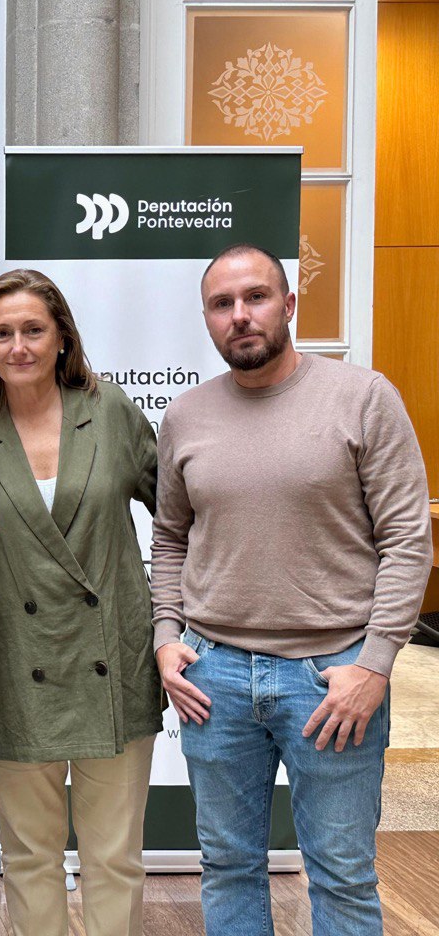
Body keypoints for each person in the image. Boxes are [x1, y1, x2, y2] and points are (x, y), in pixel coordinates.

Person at [151, 243, 432, 936]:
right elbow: (169, 539)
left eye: (255, 297)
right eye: (222, 304)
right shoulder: (185, 417)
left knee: (340, 874)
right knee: (228, 865)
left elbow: (407, 541)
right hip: (213, 677)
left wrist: (374, 665)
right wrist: (165, 639)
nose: (240, 316)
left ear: (289, 304)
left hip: (331, 679)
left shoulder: (364, 398)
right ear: (208, 319)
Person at [0, 269, 163, 936]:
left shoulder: (113, 412)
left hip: (113, 666)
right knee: (30, 859)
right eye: (3, 332)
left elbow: (184, 512)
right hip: (17, 666)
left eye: (33, 330)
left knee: (115, 859)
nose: (19, 346)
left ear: (62, 337)